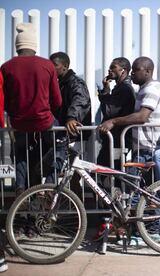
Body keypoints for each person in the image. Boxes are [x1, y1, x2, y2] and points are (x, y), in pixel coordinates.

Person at [99, 56, 160, 245]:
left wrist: (114, 121)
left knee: (141, 194)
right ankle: (149, 232)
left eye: (136, 70)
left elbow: (143, 116)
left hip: (148, 149)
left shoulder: (151, 89)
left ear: (147, 71)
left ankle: (152, 233)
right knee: (140, 193)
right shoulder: (144, 89)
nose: (133, 73)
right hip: (142, 148)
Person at [1, 23, 62, 194]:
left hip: (18, 122)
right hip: (44, 122)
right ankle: (50, 185)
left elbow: (3, 99)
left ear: (17, 45)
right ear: (34, 45)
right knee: (61, 145)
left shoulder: (6, 67)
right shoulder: (47, 65)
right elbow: (57, 100)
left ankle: (20, 186)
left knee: (20, 152)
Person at [45, 51, 91, 183]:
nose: (51, 68)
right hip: (65, 135)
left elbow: (80, 100)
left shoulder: (76, 82)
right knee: (69, 174)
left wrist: (72, 118)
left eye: (55, 65)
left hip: (75, 135)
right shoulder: (60, 83)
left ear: (65, 66)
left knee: (74, 174)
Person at [97, 57, 135, 169]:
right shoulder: (120, 87)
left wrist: (105, 91)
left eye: (113, 67)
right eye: (109, 67)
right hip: (115, 137)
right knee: (106, 170)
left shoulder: (124, 88)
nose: (109, 70)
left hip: (118, 138)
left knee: (106, 171)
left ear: (123, 70)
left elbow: (109, 111)